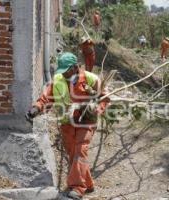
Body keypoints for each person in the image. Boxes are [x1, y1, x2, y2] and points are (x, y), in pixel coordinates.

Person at [25, 52, 110, 200]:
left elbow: (104, 97)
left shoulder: (91, 79)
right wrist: (36, 109)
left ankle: (77, 187)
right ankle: (88, 184)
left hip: (86, 121)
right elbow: (46, 98)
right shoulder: (57, 80)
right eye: (62, 71)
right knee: (73, 154)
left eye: (66, 71)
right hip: (67, 123)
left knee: (80, 150)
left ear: (75, 67)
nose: (63, 74)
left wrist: (96, 109)